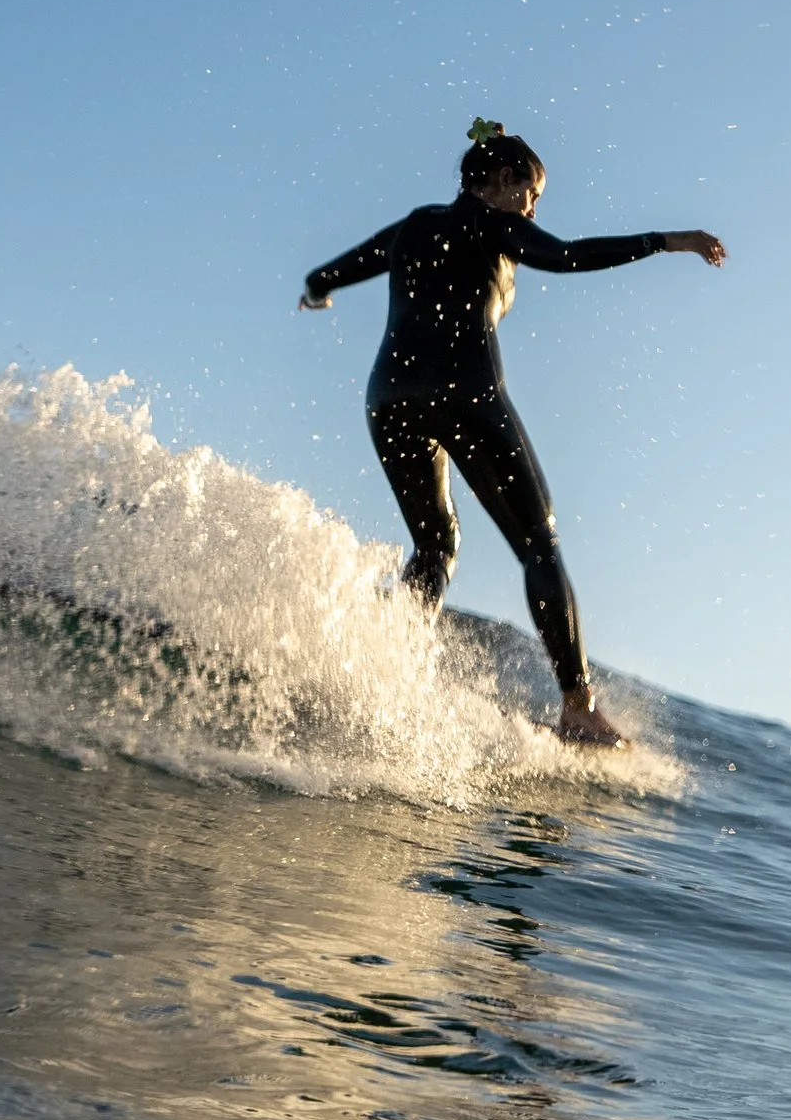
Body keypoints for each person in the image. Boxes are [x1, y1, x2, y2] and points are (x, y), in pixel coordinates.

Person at [299, 118, 725, 747]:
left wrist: (318, 286)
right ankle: (578, 708)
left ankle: (371, 665)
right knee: (539, 543)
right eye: (530, 193)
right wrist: (666, 240)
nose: (531, 209)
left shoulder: (415, 224)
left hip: (389, 399)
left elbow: (352, 262)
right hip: (464, 394)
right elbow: (567, 255)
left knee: (436, 547)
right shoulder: (493, 223)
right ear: (499, 181)